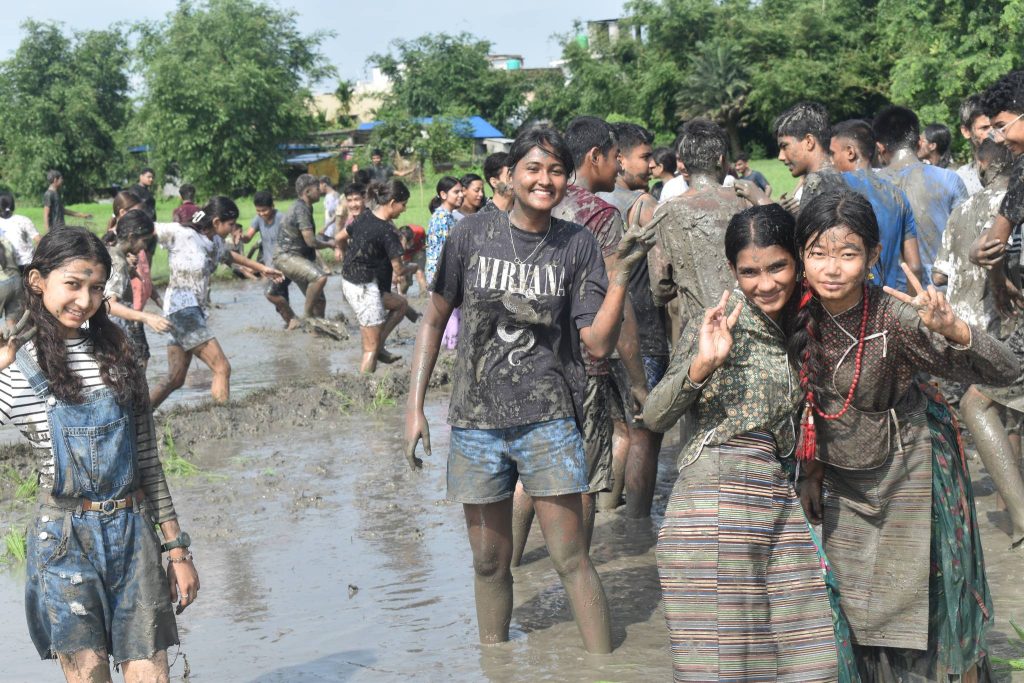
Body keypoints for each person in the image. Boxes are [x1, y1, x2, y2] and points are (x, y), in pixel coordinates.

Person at [403, 124, 655, 654]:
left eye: (556, 170)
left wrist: (618, 280)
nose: (545, 180)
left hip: (550, 419)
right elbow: (432, 320)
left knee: (570, 558)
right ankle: (495, 661)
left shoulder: (577, 243)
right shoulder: (471, 235)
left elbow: (598, 343)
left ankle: (603, 667)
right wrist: (415, 408)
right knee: (489, 562)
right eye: (533, 169)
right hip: (475, 423)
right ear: (510, 176)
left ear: (566, 178)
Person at [792, 189, 1016, 680]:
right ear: (800, 257)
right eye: (817, 253)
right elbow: (810, 408)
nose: (832, 268)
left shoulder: (895, 317)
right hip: (840, 477)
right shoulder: (793, 315)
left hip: (910, 464)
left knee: (926, 597)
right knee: (854, 603)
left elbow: (1007, 370)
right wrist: (811, 472)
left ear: (873, 257)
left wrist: (956, 329)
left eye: (848, 254)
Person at [644, 204, 857, 682]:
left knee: (813, 657)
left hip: (777, 502)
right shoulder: (720, 320)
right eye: (750, 271)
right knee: (722, 668)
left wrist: (810, 473)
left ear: (799, 262)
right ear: (732, 271)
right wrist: (701, 366)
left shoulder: (811, 320)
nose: (765, 284)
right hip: (714, 507)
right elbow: (654, 416)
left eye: (777, 266)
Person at [5, 227, 198, 681]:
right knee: (88, 674)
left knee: (151, 673)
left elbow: (148, 460)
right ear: (38, 281)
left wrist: (176, 549)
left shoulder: (119, 354)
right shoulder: (16, 368)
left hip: (133, 534)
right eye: (72, 284)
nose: (84, 300)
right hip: (64, 539)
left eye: (96, 288)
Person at [511, 115, 648, 561]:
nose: (619, 165)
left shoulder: (533, 202)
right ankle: (579, 570)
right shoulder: (600, 215)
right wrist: (637, 378)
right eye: (614, 156)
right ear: (595, 157)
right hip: (584, 362)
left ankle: (511, 563)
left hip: (527, 358)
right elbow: (617, 303)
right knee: (583, 476)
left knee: (531, 471)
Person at [597, 121, 670, 518]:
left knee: (617, 430)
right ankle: (639, 522)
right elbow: (664, 274)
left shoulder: (590, 204)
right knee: (646, 430)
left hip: (601, 332)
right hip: (641, 330)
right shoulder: (644, 206)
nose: (652, 164)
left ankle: (610, 512)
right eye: (644, 156)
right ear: (619, 158)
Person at [149, 197, 284, 408]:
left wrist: (262, 268)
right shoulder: (182, 234)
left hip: (190, 312)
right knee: (222, 368)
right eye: (230, 224)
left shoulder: (215, 241)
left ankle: (137, 418)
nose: (232, 229)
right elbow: (147, 227)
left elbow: (228, 256)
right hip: (182, 310)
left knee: (175, 379)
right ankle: (223, 419)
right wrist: (116, 230)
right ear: (216, 221)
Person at [649, 119, 750, 331]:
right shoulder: (745, 200)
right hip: (749, 323)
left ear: (683, 164)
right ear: (721, 160)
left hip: (700, 332)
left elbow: (660, 288)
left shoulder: (666, 212)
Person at [873, 105, 968, 285]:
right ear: (918, 143)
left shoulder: (869, 186)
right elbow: (965, 241)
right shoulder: (949, 180)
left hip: (889, 299)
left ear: (880, 148)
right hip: (941, 295)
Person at [829, 118, 924, 292]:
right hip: (887, 303)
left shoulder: (834, 188)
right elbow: (915, 266)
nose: (831, 161)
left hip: (846, 302)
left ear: (850, 152)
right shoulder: (898, 196)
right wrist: (909, 309)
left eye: (833, 153)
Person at [338, 180, 417, 373]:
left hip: (350, 282)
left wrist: (345, 255)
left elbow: (339, 238)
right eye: (403, 204)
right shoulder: (388, 231)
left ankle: (380, 344)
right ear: (392, 203)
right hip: (364, 289)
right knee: (369, 349)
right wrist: (412, 268)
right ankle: (365, 391)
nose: (404, 209)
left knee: (401, 305)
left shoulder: (365, 216)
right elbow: (398, 271)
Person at [103, 209, 173, 368]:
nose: (145, 247)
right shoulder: (118, 262)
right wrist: (147, 317)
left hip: (117, 328)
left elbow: (144, 282)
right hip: (112, 331)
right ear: (131, 237)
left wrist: (160, 303)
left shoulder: (116, 256)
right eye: (144, 241)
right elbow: (110, 305)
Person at [770, 101, 845, 213]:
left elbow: (806, 230)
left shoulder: (816, 181)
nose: (780, 156)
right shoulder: (839, 176)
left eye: (784, 146)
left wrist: (759, 199)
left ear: (809, 142)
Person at [273, 174, 329, 321]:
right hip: (287, 257)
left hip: (297, 257)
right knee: (320, 277)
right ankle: (307, 315)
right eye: (317, 188)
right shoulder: (301, 209)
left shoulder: (305, 207)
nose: (321, 191)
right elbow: (311, 242)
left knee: (320, 301)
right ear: (308, 192)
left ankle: (317, 334)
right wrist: (330, 244)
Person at [240, 190, 296, 328]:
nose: (261, 214)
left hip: (284, 265)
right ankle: (291, 324)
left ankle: (294, 321)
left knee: (271, 293)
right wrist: (239, 236)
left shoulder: (282, 219)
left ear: (272, 206)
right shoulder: (258, 219)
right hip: (269, 267)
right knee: (281, 300)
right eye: (258, 210)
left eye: (264, 210)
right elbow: (247, 238)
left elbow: (292, 241)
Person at [426, 177, 464, 349]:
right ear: (443, 194)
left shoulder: (448, 216)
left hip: (444, 272)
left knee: (448, 316)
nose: (461, 195)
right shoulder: (441, 218)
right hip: (442, 274)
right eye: (456, 192)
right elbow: (443, 251)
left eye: (461, 191)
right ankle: (450, 350)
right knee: (451, 315)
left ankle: (446, 349)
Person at [956, 95, 992, 196]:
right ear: (966, 131)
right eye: (985, 128)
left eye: (997, 125)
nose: (993, 133)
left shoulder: (1017, 170)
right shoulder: (961, 179)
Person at [0, 192, 41, 272]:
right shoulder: (23, 220)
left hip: (7, 268)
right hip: (27, 264)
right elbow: (39, 240)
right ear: (12, 205)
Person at [397, 224, 428, 295]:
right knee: (405, 279)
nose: (405, 247)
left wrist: (422, 246)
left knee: (420, 273)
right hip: (404, 255)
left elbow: (424, 239)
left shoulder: (419, 231)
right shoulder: (394, 239)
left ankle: (424, 297)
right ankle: (402, 297)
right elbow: (399, 261)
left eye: (407, 244)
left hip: (418, 251)